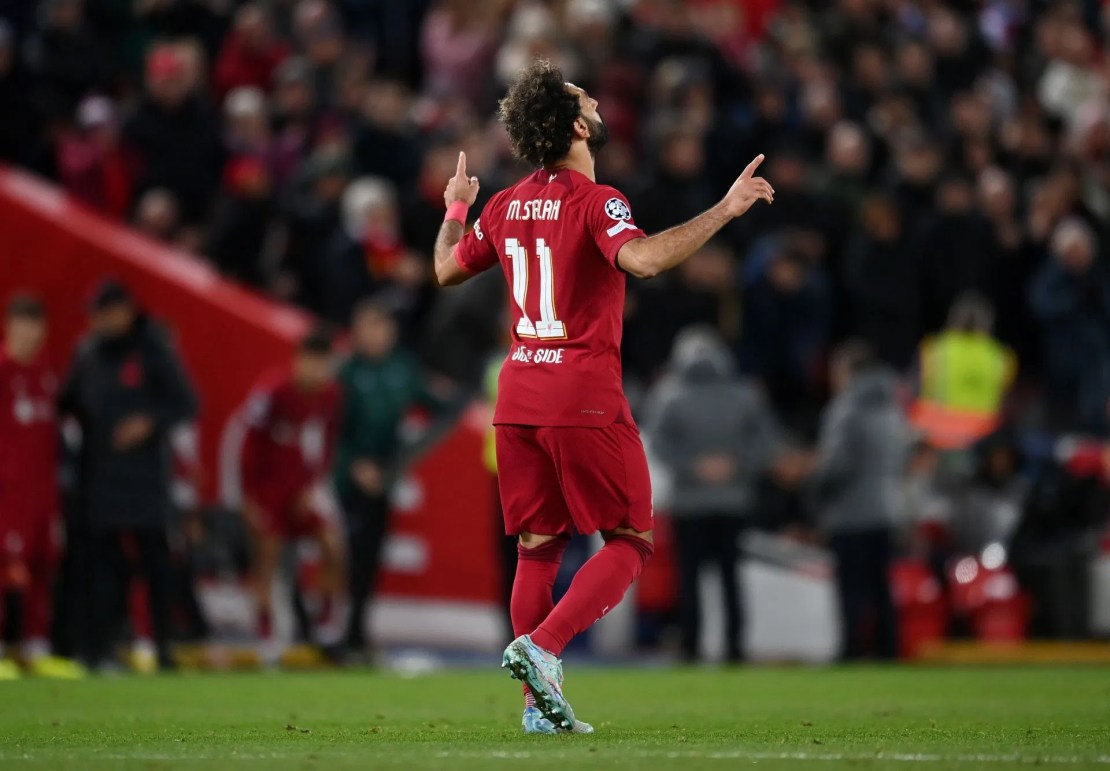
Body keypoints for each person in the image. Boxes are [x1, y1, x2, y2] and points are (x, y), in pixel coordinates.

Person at [432, 59, 774, 733]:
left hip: (518, 395)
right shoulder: (598, 201)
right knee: (631, 538)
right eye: (584, 97)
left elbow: (445, 268)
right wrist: (726, 209)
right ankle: (543, 647)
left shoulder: (503, 205)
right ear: (578, 127)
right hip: (581, 391)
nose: (594, 100)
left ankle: (537, 708)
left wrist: (456, 208)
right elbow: (643, 260)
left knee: (537, 548)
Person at [59, 280, 198, 671]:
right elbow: (67, 401)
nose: (99, 321)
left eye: (105, 313)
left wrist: (149, 422)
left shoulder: (153, 349)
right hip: (99, 476)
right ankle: (101, 647)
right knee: (102, 567)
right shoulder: (88, 352)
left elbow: (186, 402)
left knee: (156, 563)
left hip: (144, 478)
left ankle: (164, 646)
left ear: (125, 311)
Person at [643, 327, 784, 663]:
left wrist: (692, 467)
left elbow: (657, 443)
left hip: (688, 504)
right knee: (731, 577)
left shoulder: (669, 395)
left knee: (689, 578)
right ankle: (735, 647)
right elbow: (766, 442)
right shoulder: (745, 395)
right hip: (733, 501)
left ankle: (690, 647)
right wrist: (736, 465)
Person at [333, 300, 440, 661]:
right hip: (345, 482)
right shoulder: (346, 372)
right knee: (342, 555)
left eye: (379, 327)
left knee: (369, 557)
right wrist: (352, 465)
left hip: (382, 480)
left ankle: (356, 633)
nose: (374, 335)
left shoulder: (403, 369)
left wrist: (402, 459)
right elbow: (331, 429)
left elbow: (434, 404)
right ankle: (334, 630)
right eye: (367, 327)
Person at [239, 329, 345, 664]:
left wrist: (313, 485)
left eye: (323, 364)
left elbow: (326, 442)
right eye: (312, 363)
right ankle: (265, 631)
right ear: (299, 361)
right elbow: (248, 443)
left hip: (302, 488)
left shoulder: (330, 395)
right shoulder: (273, 391)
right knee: (267, 557)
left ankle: (325, 619)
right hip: (269, 488)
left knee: (332, 545)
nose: (317, 371)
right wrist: (249, 497)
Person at [809, 341, 910, 661]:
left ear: (847, 371)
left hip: (850, 513)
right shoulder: (893, 408)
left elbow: (836, 466)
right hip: (887, 509)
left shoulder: (846, 409)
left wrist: (813, 488)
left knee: (851, 586)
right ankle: (888, 648)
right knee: (881, 586)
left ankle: (851, 649)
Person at [0, 295, 83, 679]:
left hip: (43, 490)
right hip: (7, 490)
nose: (29, 333)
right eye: (22, 324)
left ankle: (36, 649)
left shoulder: (48, 372)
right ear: (8, 326)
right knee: (4, 567)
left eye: (35, 325)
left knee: (43, 565)